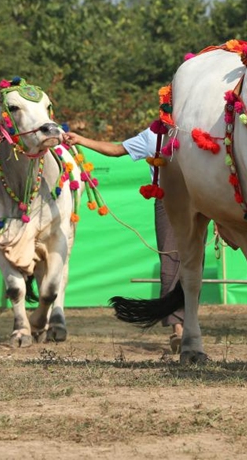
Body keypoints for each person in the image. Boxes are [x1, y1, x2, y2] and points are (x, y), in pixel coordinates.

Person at [63, 128, 184, 353]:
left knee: (193, 265)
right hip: (167, 202)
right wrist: (80, 139)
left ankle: (190, 326)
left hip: (201, 200)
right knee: (170, 265)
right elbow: (117, 150)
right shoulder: (153, 135)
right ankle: (179, 330)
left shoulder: (198, 130)